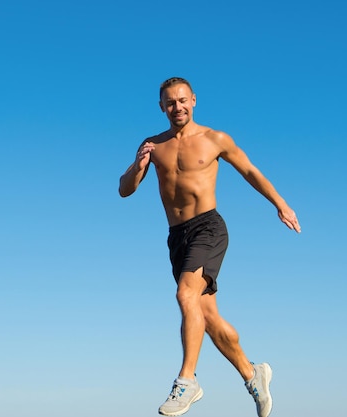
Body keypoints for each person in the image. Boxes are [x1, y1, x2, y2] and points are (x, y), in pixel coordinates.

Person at [119, 77, 301, 417]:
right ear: (162, 107)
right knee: (206, 316)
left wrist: (280, 204)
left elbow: (249, 170)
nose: (178, 107)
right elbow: (124, 190)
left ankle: (187, 381)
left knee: (186, 296)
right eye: (171, 102)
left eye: (183, 100)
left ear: (194, 101)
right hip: (177, 237)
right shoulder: (153, 145)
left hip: (208, 227)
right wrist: (137, 165)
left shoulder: (214, 139)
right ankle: (253, 373)